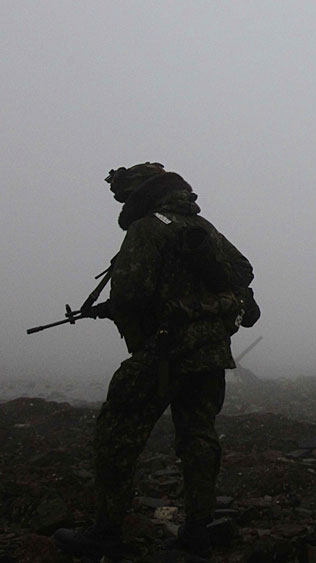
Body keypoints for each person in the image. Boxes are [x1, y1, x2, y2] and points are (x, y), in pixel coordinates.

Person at [54, 162, 258, 560]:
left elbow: (132, 293)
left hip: (164, 351)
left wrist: (115, 308)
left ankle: (106, 531)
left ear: (141, 193)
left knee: (116, 436)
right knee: (198, 438)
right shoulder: (205, 227)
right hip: (210, 353)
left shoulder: (147, 227)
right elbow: (242, 271)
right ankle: (197, 531)